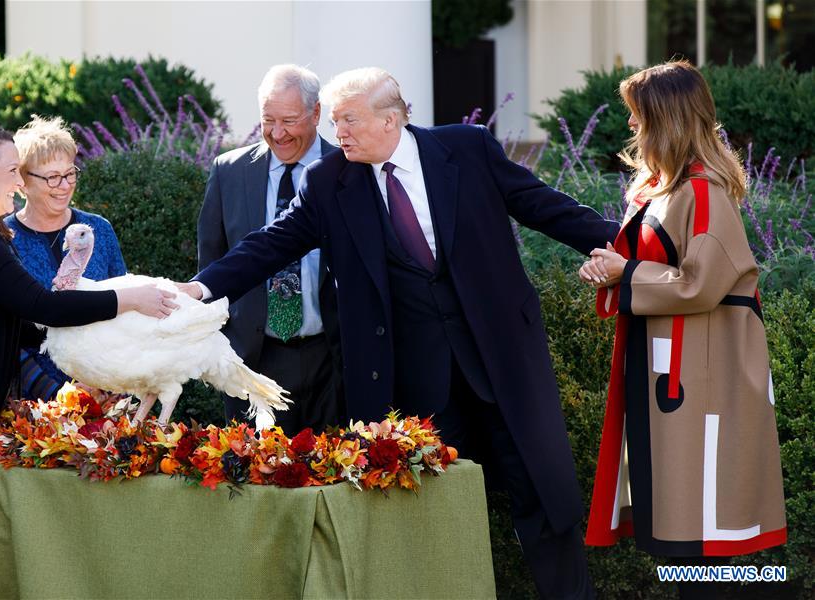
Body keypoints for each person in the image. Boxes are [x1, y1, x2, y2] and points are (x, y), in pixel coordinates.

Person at [180, 67, 619, 599]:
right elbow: (269, 244)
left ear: (391, 119)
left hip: (499, 358)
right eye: (335, 120)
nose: (337, 133)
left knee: (541, 494)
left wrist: (627, 244)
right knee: (436, 509)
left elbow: (543, 206)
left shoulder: (467, 149)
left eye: (348, 120)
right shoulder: (330, 181)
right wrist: (199, 291)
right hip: (416, 379)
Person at [0, 124, 177, 599]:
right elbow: (41, 309)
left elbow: (23, 321)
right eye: (13, 172)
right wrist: (130, 298)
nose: (19, 183)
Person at [579, 61, 786, 599]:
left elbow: (700, 285)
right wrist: (610, 267)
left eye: (638, 116)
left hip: (701, 376)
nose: (632, 128)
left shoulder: (703, 191)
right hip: (672, 368)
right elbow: (657, 268)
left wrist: (627, 272)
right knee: (686, 525)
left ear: (665, 118)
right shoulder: (665, 188)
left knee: (702, 526)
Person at [197, 65, 343, 435]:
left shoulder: (347, 171)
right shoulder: (228, 172)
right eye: (268, 120)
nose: (278, 134)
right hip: (254, 361)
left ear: (315, 114)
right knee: (258, 482)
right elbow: (213, 261)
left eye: (289, 121)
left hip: (333, 358)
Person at [4, 115, 128, 401]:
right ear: (22, 182)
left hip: (105, 392)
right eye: (52, 177)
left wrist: (110, 384)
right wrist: (58, 393)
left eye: (70, 173)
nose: (64, 185)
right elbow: (5, 335)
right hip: (34, 402)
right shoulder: (3, 238)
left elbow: (123, 309)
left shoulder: (99, 230)